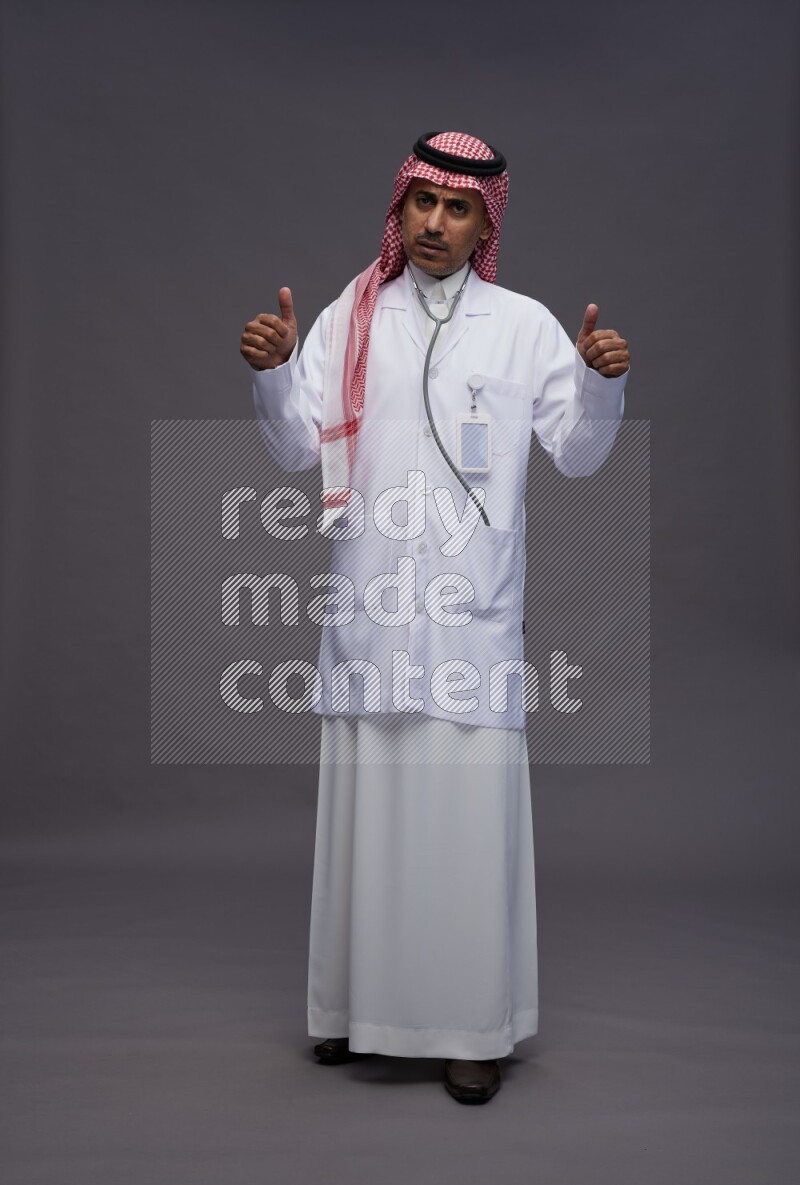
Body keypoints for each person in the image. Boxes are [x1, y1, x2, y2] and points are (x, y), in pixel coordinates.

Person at [240, 131, 630, 1104]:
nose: (435, 224)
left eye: (458, 209)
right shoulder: (351, 316)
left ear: (485, 222)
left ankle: (469, 1030)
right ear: (399, 209)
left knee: (461, 833)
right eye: (422, 203)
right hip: (372, 613)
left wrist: (599, 382)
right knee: (368, 823)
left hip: (469, 624)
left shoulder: (521, 327)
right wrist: (274, 371)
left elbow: (577, 454)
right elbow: (294, 448)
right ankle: (348, 1014)